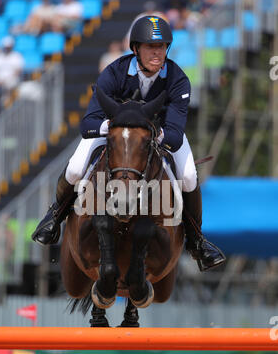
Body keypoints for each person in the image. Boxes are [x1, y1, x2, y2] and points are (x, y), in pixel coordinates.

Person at [32, 16, 226, 271]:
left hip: (160, 134)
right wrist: (116, 127)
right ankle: (54, 218)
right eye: (150, 47)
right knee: (76, 169)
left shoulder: (178, 79)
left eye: (162, 47)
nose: (157, 53)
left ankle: (196, 240)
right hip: (112, 131)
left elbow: (176, 134)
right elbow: (88, 123)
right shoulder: (114, 73)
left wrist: (151, 134)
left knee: (189, 176)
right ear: (136, 49)